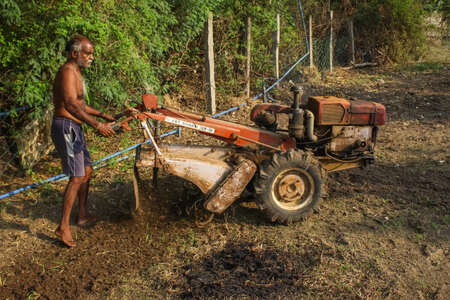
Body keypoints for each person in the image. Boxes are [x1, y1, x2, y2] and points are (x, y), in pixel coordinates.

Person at [51, 35, 115, 247]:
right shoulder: (67, 71)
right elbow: (70, 104)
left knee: (87, 170)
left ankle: (82, 215)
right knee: (77, 176)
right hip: (66, 128)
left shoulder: (76, 72)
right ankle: (62, 227)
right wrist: (97, 125)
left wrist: (104, 116)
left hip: (75, 127)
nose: (91, 57)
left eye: (92, 53)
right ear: (74, 53)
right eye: (88, 53)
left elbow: (81, 105)